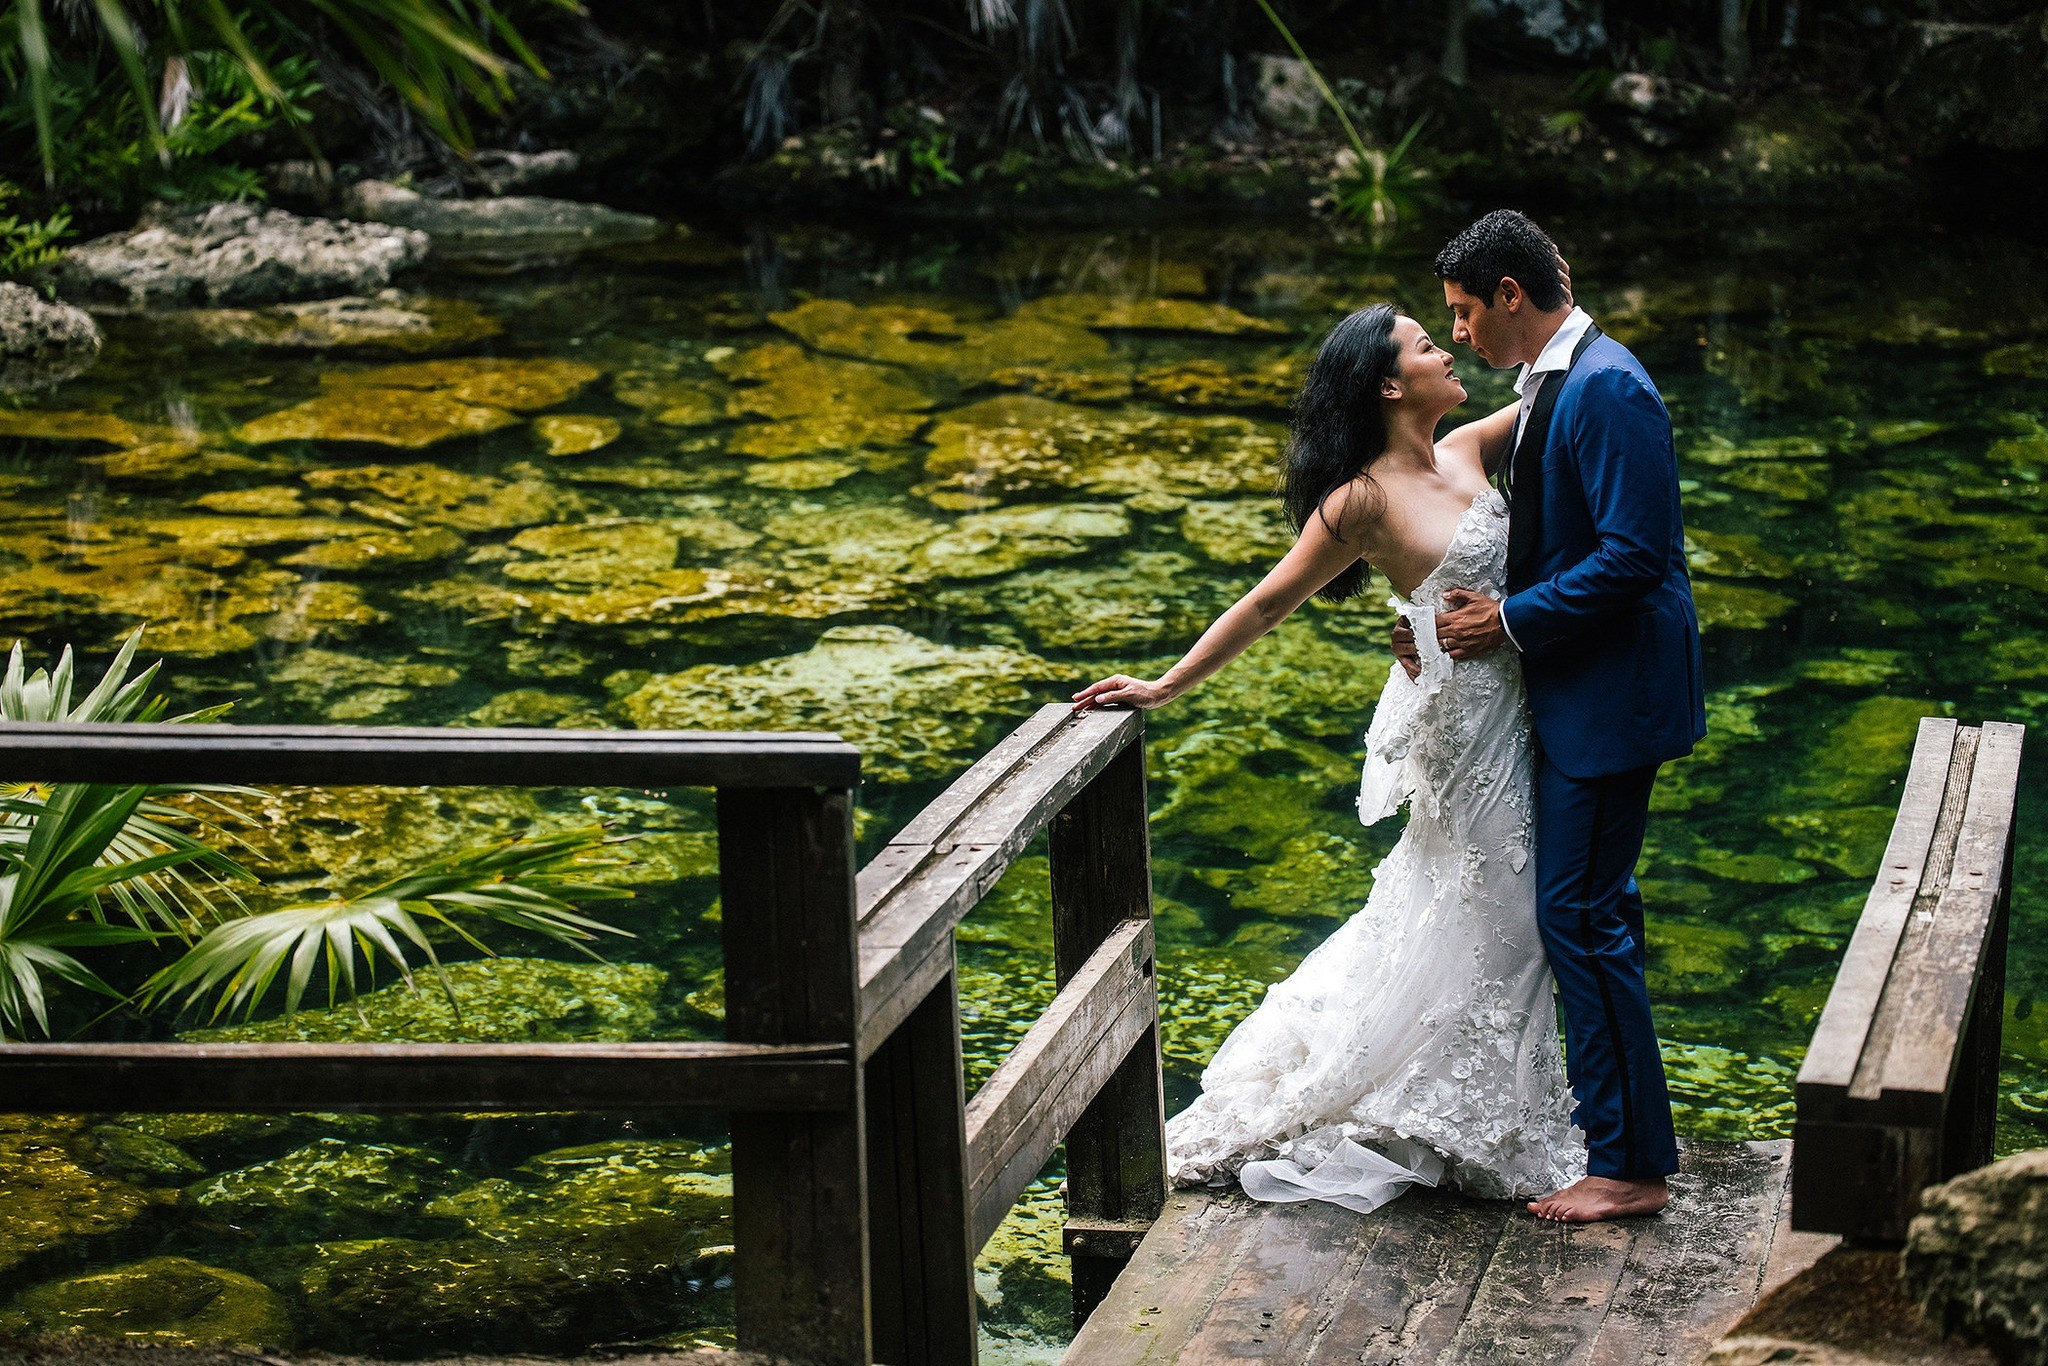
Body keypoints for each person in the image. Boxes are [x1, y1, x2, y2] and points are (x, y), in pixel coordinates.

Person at [1071, 298, 1585, 1216]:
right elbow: (1268, 603)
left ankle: (1481, 1103)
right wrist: (1164, 685)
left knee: (1486, 906)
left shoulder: (1468, 447)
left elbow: (1561, 382)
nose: (1450, 348)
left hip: (1521, 706)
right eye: (1431, 346)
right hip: (1460, 728)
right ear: (1392, 385)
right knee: (1505, 907)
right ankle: (1465, 1114)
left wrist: (1550, 294)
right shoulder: (1359, 500)